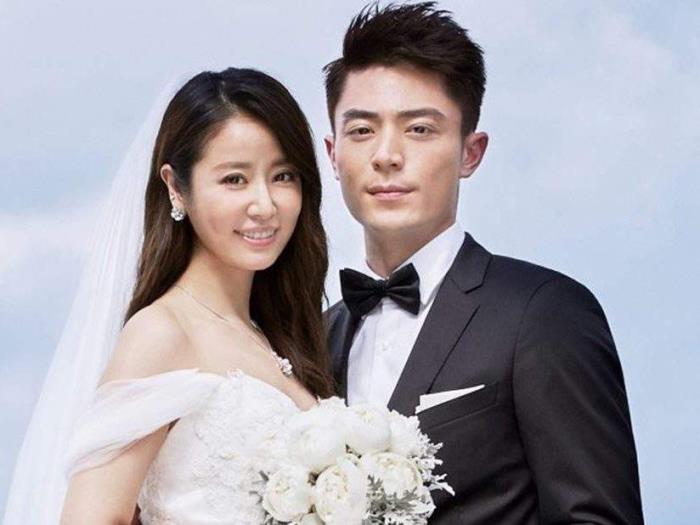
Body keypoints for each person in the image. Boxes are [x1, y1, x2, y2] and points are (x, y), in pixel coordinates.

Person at [324, 3, 644, 524]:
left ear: (471, 153)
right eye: (362, 131)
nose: (386, 155)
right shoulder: (314, 339)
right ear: (333, 154)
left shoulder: (544, 313)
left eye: (419, 129)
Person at [4, 68, 333, 524]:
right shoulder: (161, 332)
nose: (265, 204)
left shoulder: (275, 336)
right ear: (176, 187)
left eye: (283, 176)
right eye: (234, 180)